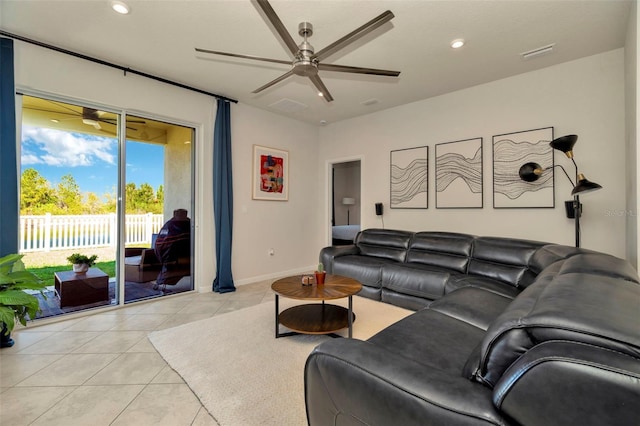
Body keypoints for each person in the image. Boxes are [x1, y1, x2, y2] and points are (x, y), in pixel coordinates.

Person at [154, 208, 191, 288]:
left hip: (173, 254)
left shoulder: (171, 224)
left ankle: (164, 280)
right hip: (172, 255)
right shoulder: (173, 225)